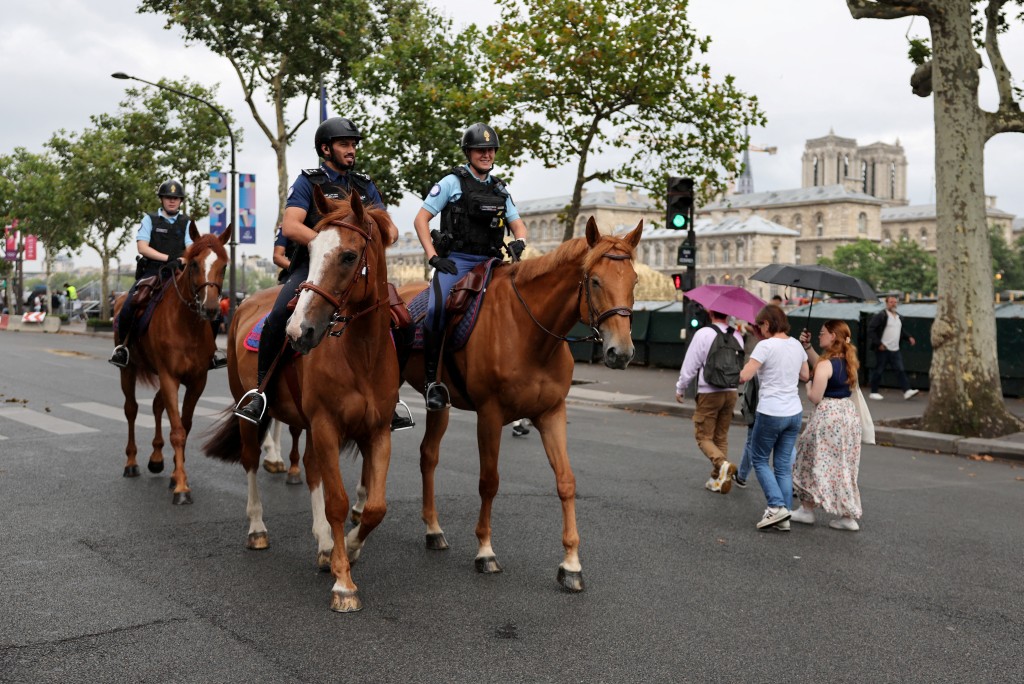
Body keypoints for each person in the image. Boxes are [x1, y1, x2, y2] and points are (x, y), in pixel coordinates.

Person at [233, 117, 401, 427]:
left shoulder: (364, 185)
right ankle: (261, 392)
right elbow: (291, 225)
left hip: (359, 270)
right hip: (312, 268)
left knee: (395, 319)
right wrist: (329, 247)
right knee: (278, 317)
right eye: (344, 144)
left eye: (353, 145)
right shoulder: (308, 182)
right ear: (325, 149)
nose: (351, 150)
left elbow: (387, 228)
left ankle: (391, 397)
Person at [412, 122, 528, 411]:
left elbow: (517, 224)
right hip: (458, 263)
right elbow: (420, 220)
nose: (486, 154)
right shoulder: (451, 182)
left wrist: (521, 241)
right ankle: (432, 383)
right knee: (437, 309)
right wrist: (432, 257)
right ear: (468, 152)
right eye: (480, 150)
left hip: (492, 263)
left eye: (490, 150)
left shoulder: (500, 188)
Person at [109, 180, 204, 368]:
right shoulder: (149, 219)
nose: (172, 201)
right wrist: (167, 257)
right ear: (162, 199)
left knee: (208, 304)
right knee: (129, 305)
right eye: (169, 197)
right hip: (152, 271)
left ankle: (210, 352)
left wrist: (182, 260)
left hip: (178, 272)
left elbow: (191, 249)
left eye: (176, 198)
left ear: (180, 201)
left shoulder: (186, 223)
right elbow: (142, 247)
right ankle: (123, 348)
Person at [738, 304, 810, 531]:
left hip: (770, 411)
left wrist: (741, 369)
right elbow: (806, 375)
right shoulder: (797, 345)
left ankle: (776, 505)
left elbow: (745, 376)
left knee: (759, 459)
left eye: (760, 325)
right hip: (794, 413)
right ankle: (784, 516)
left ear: (767, 324)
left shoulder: (765, 346)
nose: (759, 330)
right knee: (781, 466)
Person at [792, 321, 863, 531]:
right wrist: (808, 348)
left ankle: (807, 509)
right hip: (848, 416)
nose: (819, 336)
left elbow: (815, 396)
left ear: (832, 336)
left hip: (828, 416)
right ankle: (847, 515)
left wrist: (807, 383)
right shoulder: (849, 362)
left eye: (822, 333)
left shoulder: (825, 365)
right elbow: (825, 366)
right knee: (843, 465)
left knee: (809, 457)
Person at [674, 309, 745, 494]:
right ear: (727, 314)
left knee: (703, 437)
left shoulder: (704, 333)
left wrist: (681, 388)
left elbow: (691, 364)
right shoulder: (737, 334)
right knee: (721, 436)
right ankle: (717, 478)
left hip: (709, 391)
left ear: (710, 311)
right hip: (731, 391)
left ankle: (722, 465)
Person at [867, 295, 918, 400]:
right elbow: (871, 330)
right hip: (883, 349)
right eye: (891, 302)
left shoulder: (899, 317)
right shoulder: (881, 316)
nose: (893, 304)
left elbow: (900, 331)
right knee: (879, 370)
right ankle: (873, 392)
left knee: (900, 370)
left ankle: (907, 391)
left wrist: (909, 337)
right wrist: (879, 344)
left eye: (895, 302)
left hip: (895, 349)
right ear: (886, 303)